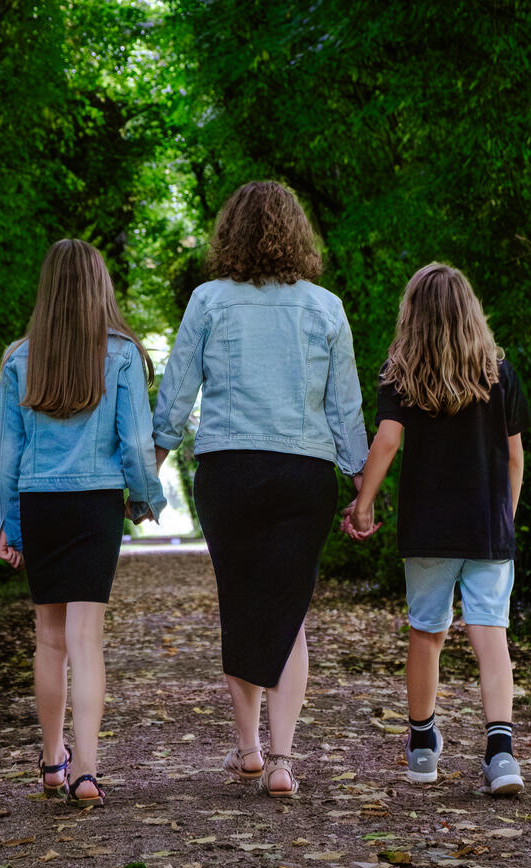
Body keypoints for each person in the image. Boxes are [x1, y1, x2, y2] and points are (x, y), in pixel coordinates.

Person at [153, 181, 369, 797]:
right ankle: (282, 760)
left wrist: (144, 476)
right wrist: (363, 485)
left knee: (242, 604)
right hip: (304, 475)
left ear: (231, 234)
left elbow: (175, 399)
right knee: (290, 611)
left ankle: (247, 750)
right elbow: (345, 409)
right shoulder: (325, 307)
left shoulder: (208, 300)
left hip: (230, 471)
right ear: (298, 233)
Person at [0, 239, 166, 808]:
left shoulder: (20, 359)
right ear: (100, 288)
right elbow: (137, 443)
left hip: (40, 503)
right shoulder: (121, 355)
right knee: (86, 641)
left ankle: (50, 761)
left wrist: (5, 523)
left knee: (49, 639)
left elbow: (6, 453)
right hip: (95, 503)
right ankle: (86, 772)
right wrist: (142, 498)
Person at [343, 262, 530, 796]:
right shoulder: (500, 374)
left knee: (427, 633)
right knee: (490, 634)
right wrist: (504, 519)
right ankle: (501, 755)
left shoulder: (400, 375)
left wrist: (364, 505)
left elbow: (386, 442)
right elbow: (516, 458)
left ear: (413, 316)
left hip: (428, 529)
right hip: (488, 529)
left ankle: (423, 746)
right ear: (470, 312)